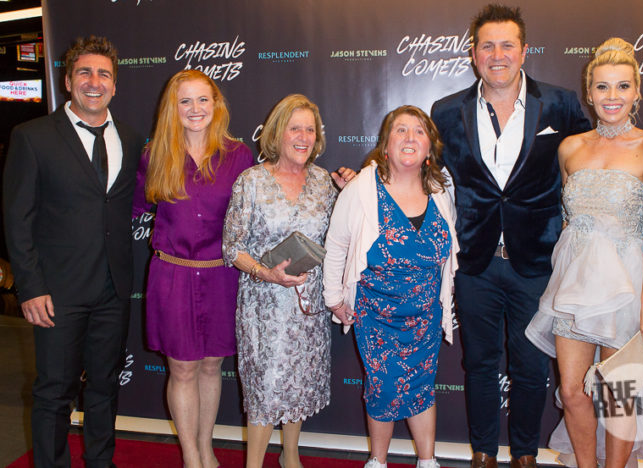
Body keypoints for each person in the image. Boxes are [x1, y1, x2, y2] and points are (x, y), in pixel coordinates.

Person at [525, 37, 643, 468]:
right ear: (589, 93)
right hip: (576, 284)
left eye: (623, 86)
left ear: (637, 91)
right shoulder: (571, 148)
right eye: (602, 87)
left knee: (619, 392)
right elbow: (568, 222)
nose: (612, 97)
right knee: (572, 390)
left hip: (628, 284)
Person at [430, 5, 591, 468]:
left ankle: (524, 454)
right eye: (487, 46)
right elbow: (420, 169)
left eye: (506, 45)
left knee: (532, 365)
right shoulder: (446, 111)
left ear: (523, 51)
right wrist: (365, 177)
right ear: (473, 53)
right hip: (475, 261)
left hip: (537, 262)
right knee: (479, 364)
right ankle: (483, 452)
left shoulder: (559, 104)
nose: (497, 55)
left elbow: (591, 163)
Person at [3, 36, 142, 468]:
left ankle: (101, 462)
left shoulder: (131, 138)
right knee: (54, 392)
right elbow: (17, 219)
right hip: (56, 293)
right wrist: (30, 287)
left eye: (104, 74)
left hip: (113, 290)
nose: (94, 82)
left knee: (104, 387)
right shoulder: (32, 137)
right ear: (68, 81)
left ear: (115, 84)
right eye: (84, 72)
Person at [222, 93, 354, 468]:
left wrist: (352, 191)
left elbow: (342, 238)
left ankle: (290, 455)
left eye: (310, 130)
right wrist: (265, 272)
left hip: (308, 306)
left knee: (300, 383)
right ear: (277, 132)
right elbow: (232, 247)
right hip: (263, 306)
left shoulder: (324, 182)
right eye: (295, 128)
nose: (303, 137)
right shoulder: (251, 181)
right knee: (264, 388)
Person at [323, 105, 459, 468]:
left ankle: (427, 461)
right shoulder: (362, 188)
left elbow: (449, 253)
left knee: (423, 385)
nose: (410, 137)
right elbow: (336, 245)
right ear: (385, 145)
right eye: (401, 130)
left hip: (426, 315)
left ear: (429, 148)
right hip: (376, 315)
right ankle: (378, 461)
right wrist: (334, 298)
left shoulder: (441, 190)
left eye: (419, 131)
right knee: (383, 387)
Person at [132, 69, 253, 468]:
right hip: (173, 275)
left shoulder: (239, 156)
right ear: (173, 107)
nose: (195, 108)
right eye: (185, 101)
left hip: (221, 275)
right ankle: (191, 458)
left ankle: (206, 449)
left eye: (203, 99)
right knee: (182, 369)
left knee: (211, 365)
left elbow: (259, 212)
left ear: (216, 104)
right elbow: (126, 206)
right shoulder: (154, 154)